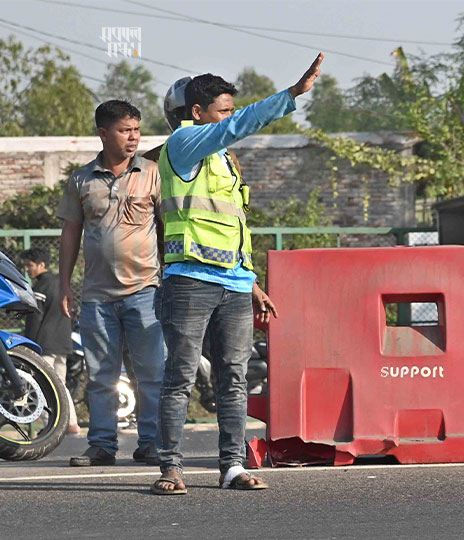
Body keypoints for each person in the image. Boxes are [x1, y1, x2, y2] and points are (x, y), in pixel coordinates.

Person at [151, 52, 324, 495]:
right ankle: (170, 469)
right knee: (181, 376)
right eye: (223, 110)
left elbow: (236, 226)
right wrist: (290, 96)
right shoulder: (185, 144)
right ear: (196, 113)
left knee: (234, 377)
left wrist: (251, 282)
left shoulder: (225, 160)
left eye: (230, 109)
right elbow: (235, 126)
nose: (229, 118)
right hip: (190, 279)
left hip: (232, 283)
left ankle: (231, 467)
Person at [57, 100, 166, 467]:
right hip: (97, 298)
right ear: (103, 133)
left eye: (136, 130)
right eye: (124, 130)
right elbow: (70, 233)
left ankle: (151, 443)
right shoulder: (81, 179)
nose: (133, 137)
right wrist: (64, 286)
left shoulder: (153, 173)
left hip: (146, 292)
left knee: (152, 374)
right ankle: (102, 445)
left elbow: (167, 228)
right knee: (101, 376)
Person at [22, 247, 79, 434]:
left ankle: (51, 426)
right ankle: (71, 423)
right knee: (60, 385)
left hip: (44, 345)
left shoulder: (40, 287)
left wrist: (27, 345)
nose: (27, 270)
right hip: (63, 344)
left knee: (43, 385)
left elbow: (34, 317)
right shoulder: (61, 283)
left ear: (42, 265)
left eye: (30, 266)